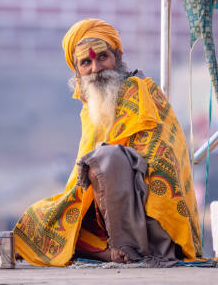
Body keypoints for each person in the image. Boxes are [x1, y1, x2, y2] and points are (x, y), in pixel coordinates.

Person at [13, 18, 201, 267]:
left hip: (149, 208)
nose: (96, 68)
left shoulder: (140, 90)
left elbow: (162, 159)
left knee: (106, 158)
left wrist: (115, 169)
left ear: (118, 57)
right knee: (36, 219)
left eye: (103, 58)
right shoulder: (90, 108)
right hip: (103, 207)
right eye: (86, 63)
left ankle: (126, 248)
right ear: (77, 71)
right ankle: (109, 253)